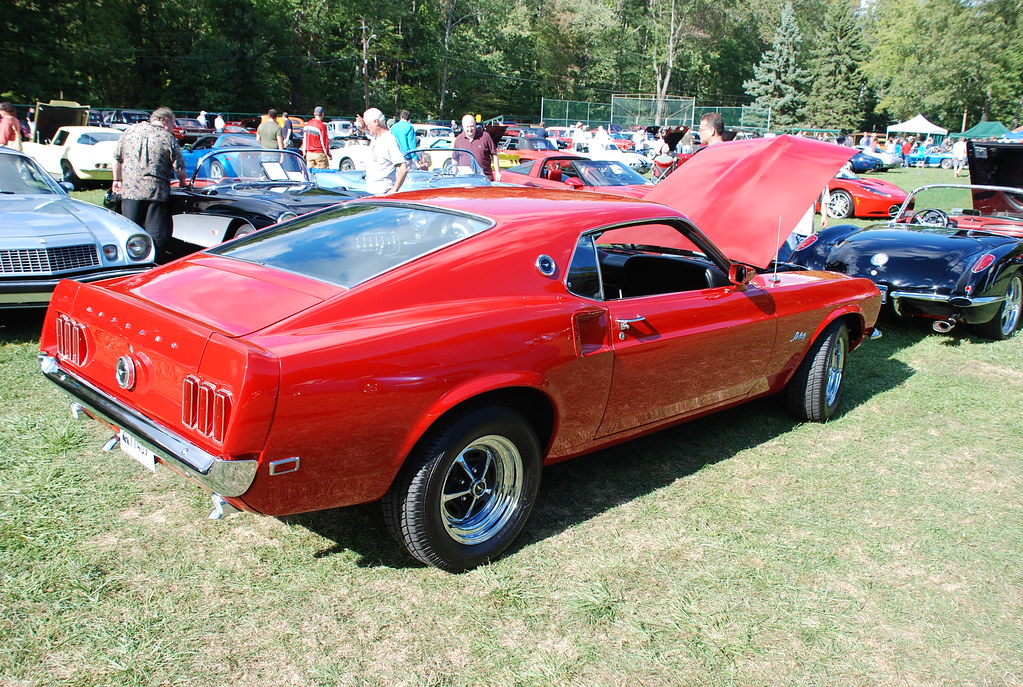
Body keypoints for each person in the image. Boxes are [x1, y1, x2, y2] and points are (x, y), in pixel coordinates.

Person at [112, 107, 186, 256]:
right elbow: (179, 167)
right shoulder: (166, 137)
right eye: (172, 124)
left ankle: (130, 262)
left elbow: (116, 158)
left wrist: (116, 180)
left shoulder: (129, 131)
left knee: (130, 232)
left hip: (130, 191)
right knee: (156, 234)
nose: (173, 128)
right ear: (166, 121)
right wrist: (183, 182)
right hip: (156, 192)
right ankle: (154, 263)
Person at [354, 107, 408, 195]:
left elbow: (403, 168)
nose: (367, 127)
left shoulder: (389, 141)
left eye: (368, 124)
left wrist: (394, 190)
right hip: (372, 191)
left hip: (382, 192)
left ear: (376, 122)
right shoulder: (376, 137)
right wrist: (362, 123)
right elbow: (364, 129)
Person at [453, 114, 501, 181]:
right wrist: (454, 175)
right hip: (464, 179)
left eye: (472, 126)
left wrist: (497, 172)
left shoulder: (485, 136)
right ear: (463, 126)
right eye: (467, 127)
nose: (470, 129)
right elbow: (455, 158)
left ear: (475, 125)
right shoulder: (459, 139)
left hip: (485, 179)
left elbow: (494, 154)